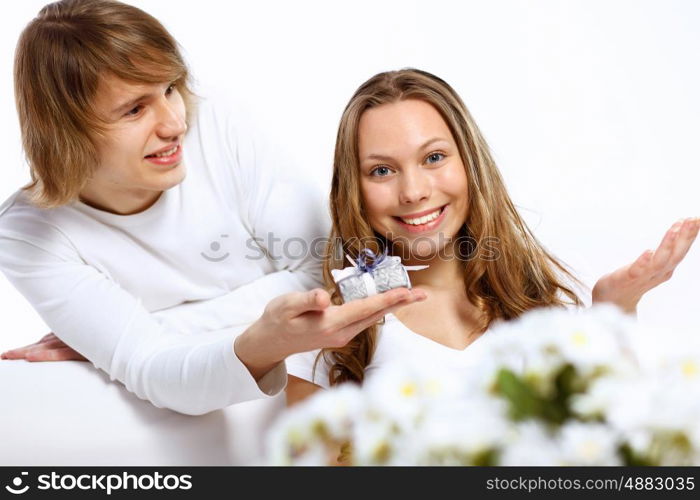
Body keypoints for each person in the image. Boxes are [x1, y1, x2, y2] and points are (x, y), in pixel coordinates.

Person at [0, 0, 424, 416]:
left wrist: (153, 328)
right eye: (134, 109)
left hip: (337, 387)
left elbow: (329, 272)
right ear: (64, 132)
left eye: (169, 89)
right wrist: (259, 334)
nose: (174, 124)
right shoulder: (28, 235)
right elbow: (154, 370)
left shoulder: (217, 123)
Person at [285, 68, 699, 402]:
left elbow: (611, 441)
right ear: (352, 188)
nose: (413, 192)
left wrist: (615, 311)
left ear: (470, 162)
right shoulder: (328, 333)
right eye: (382, 170)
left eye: (433, 158)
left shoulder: (555, 292)